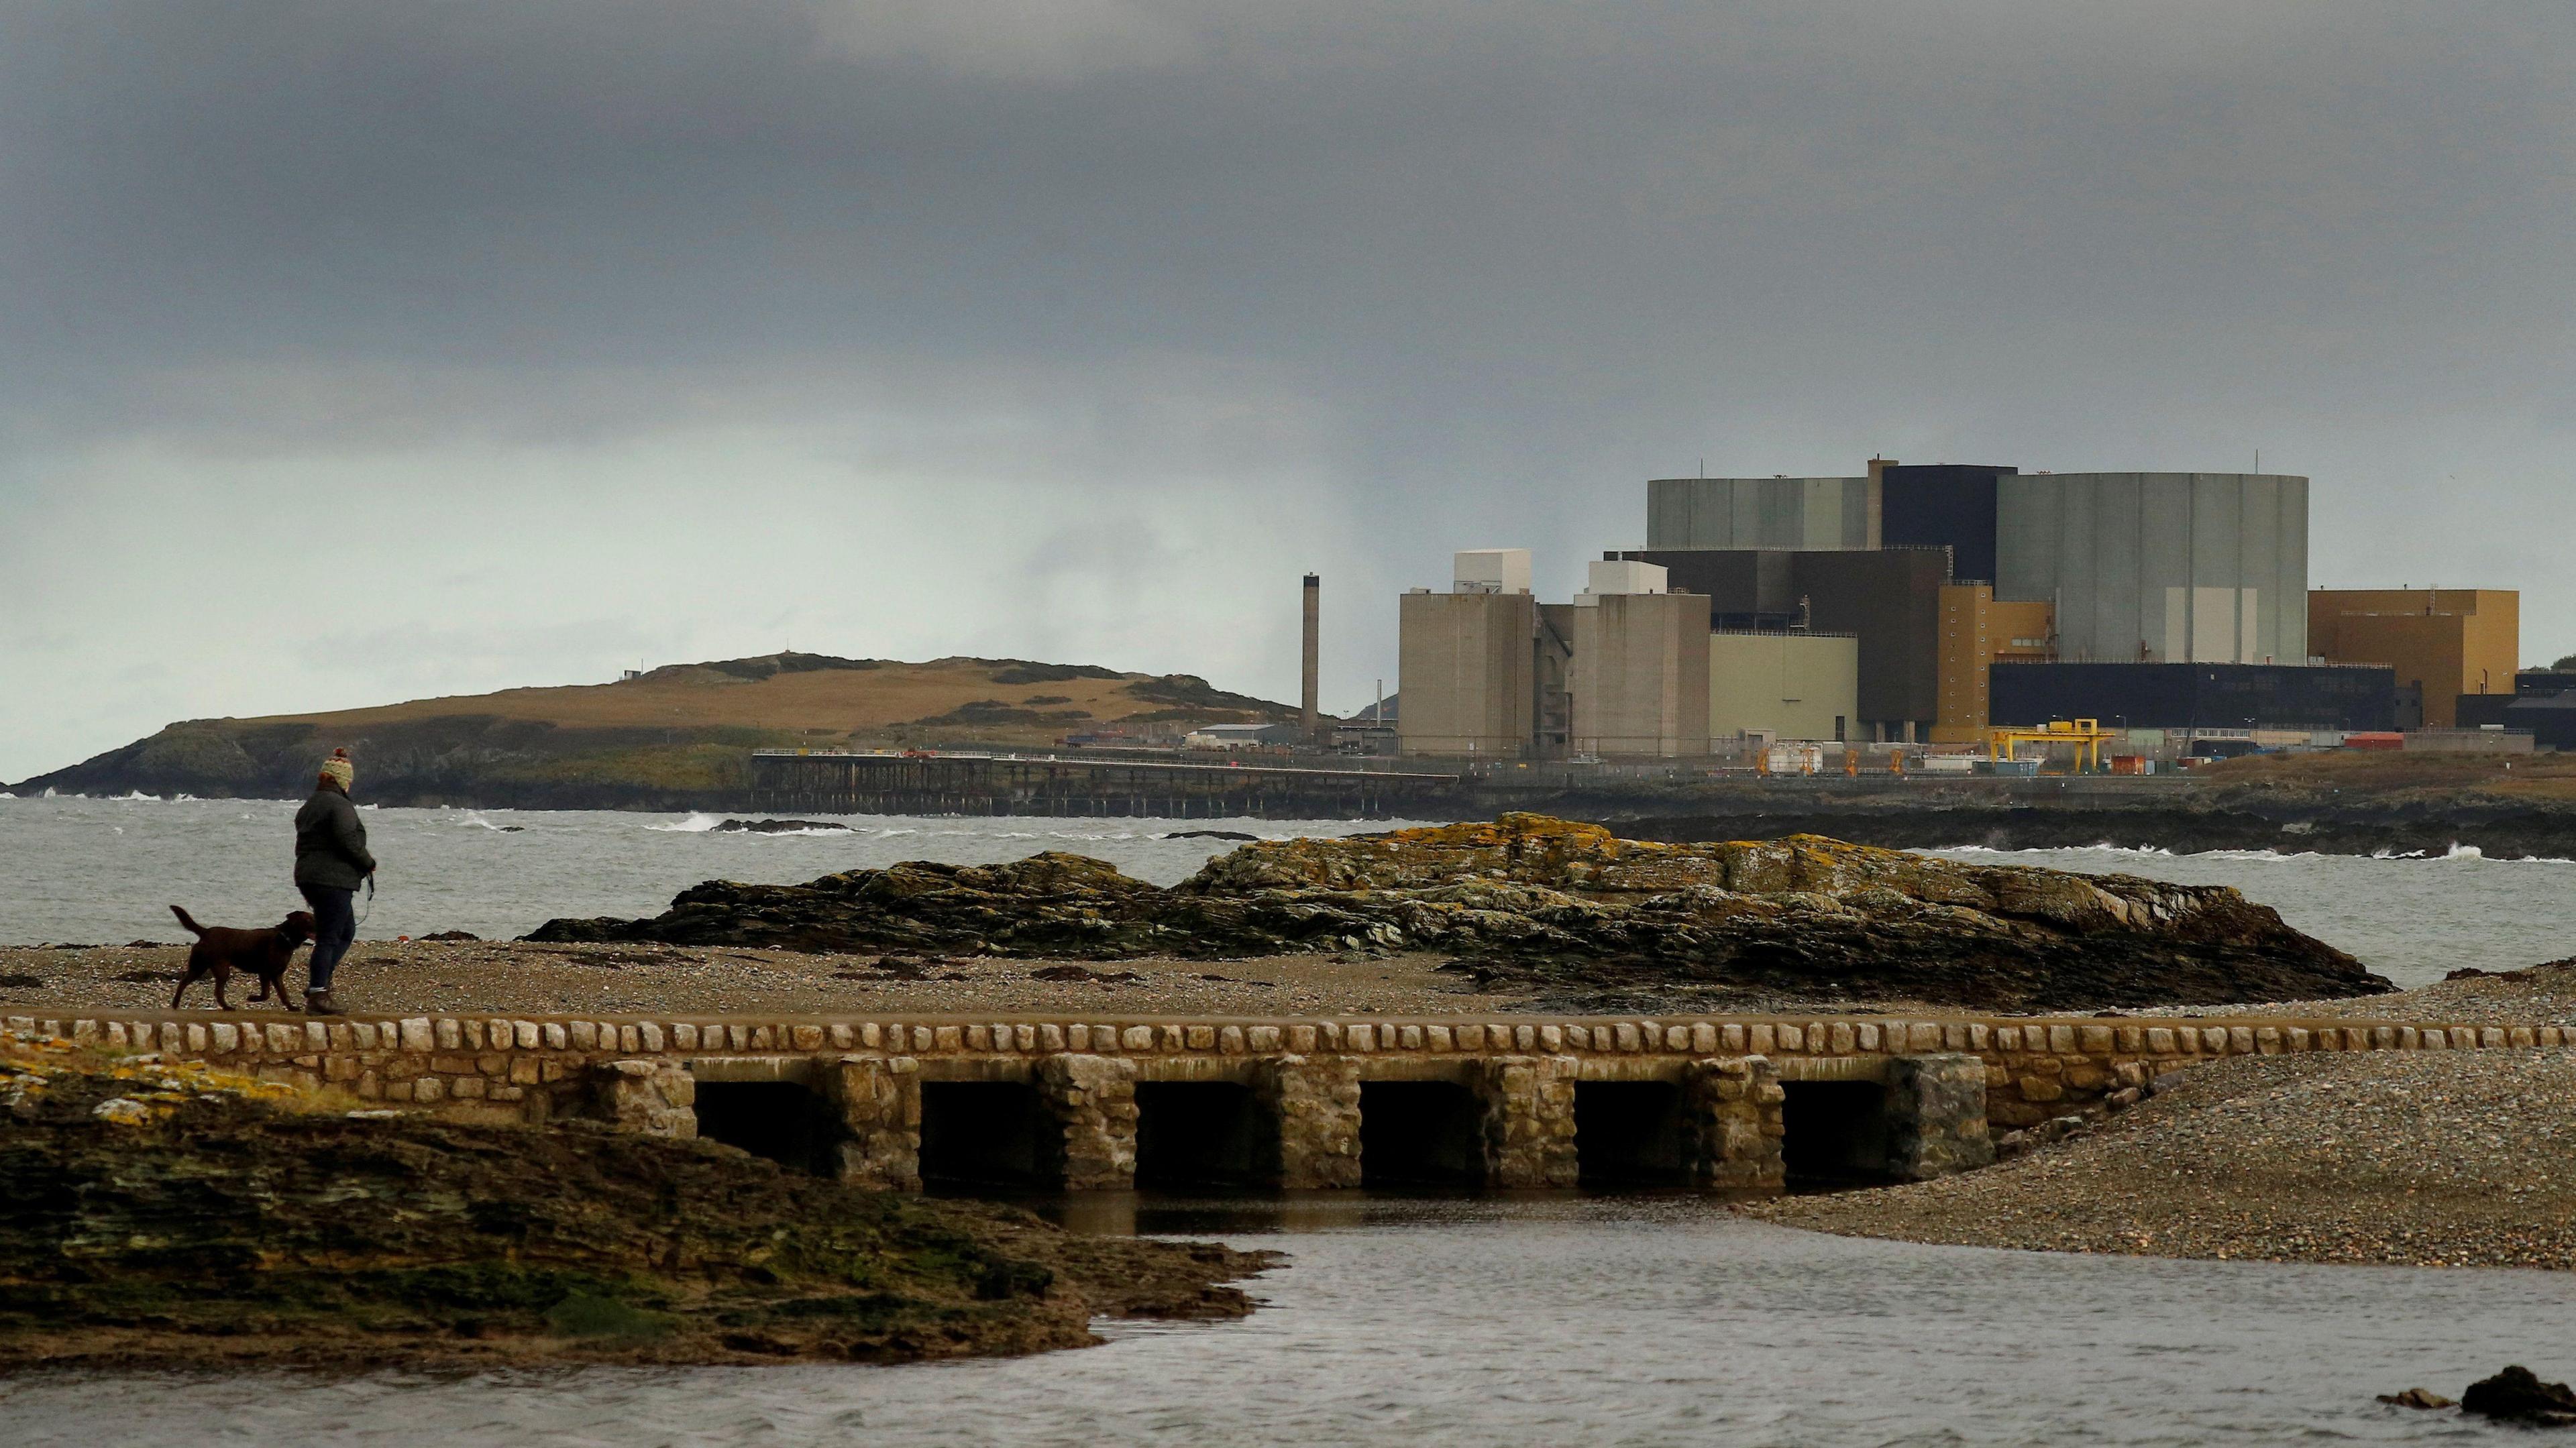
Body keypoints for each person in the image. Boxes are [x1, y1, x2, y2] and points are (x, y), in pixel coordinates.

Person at [292, 747, 374, 1015]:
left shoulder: (309, 806)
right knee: (329, 937)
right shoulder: (340, 805)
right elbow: (348, 841)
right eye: (348, 780)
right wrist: (368, 863)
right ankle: (318, 994)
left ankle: (319, 984)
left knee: (346, 931)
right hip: (332, 881)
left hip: (309, 877)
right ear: (341, 780)